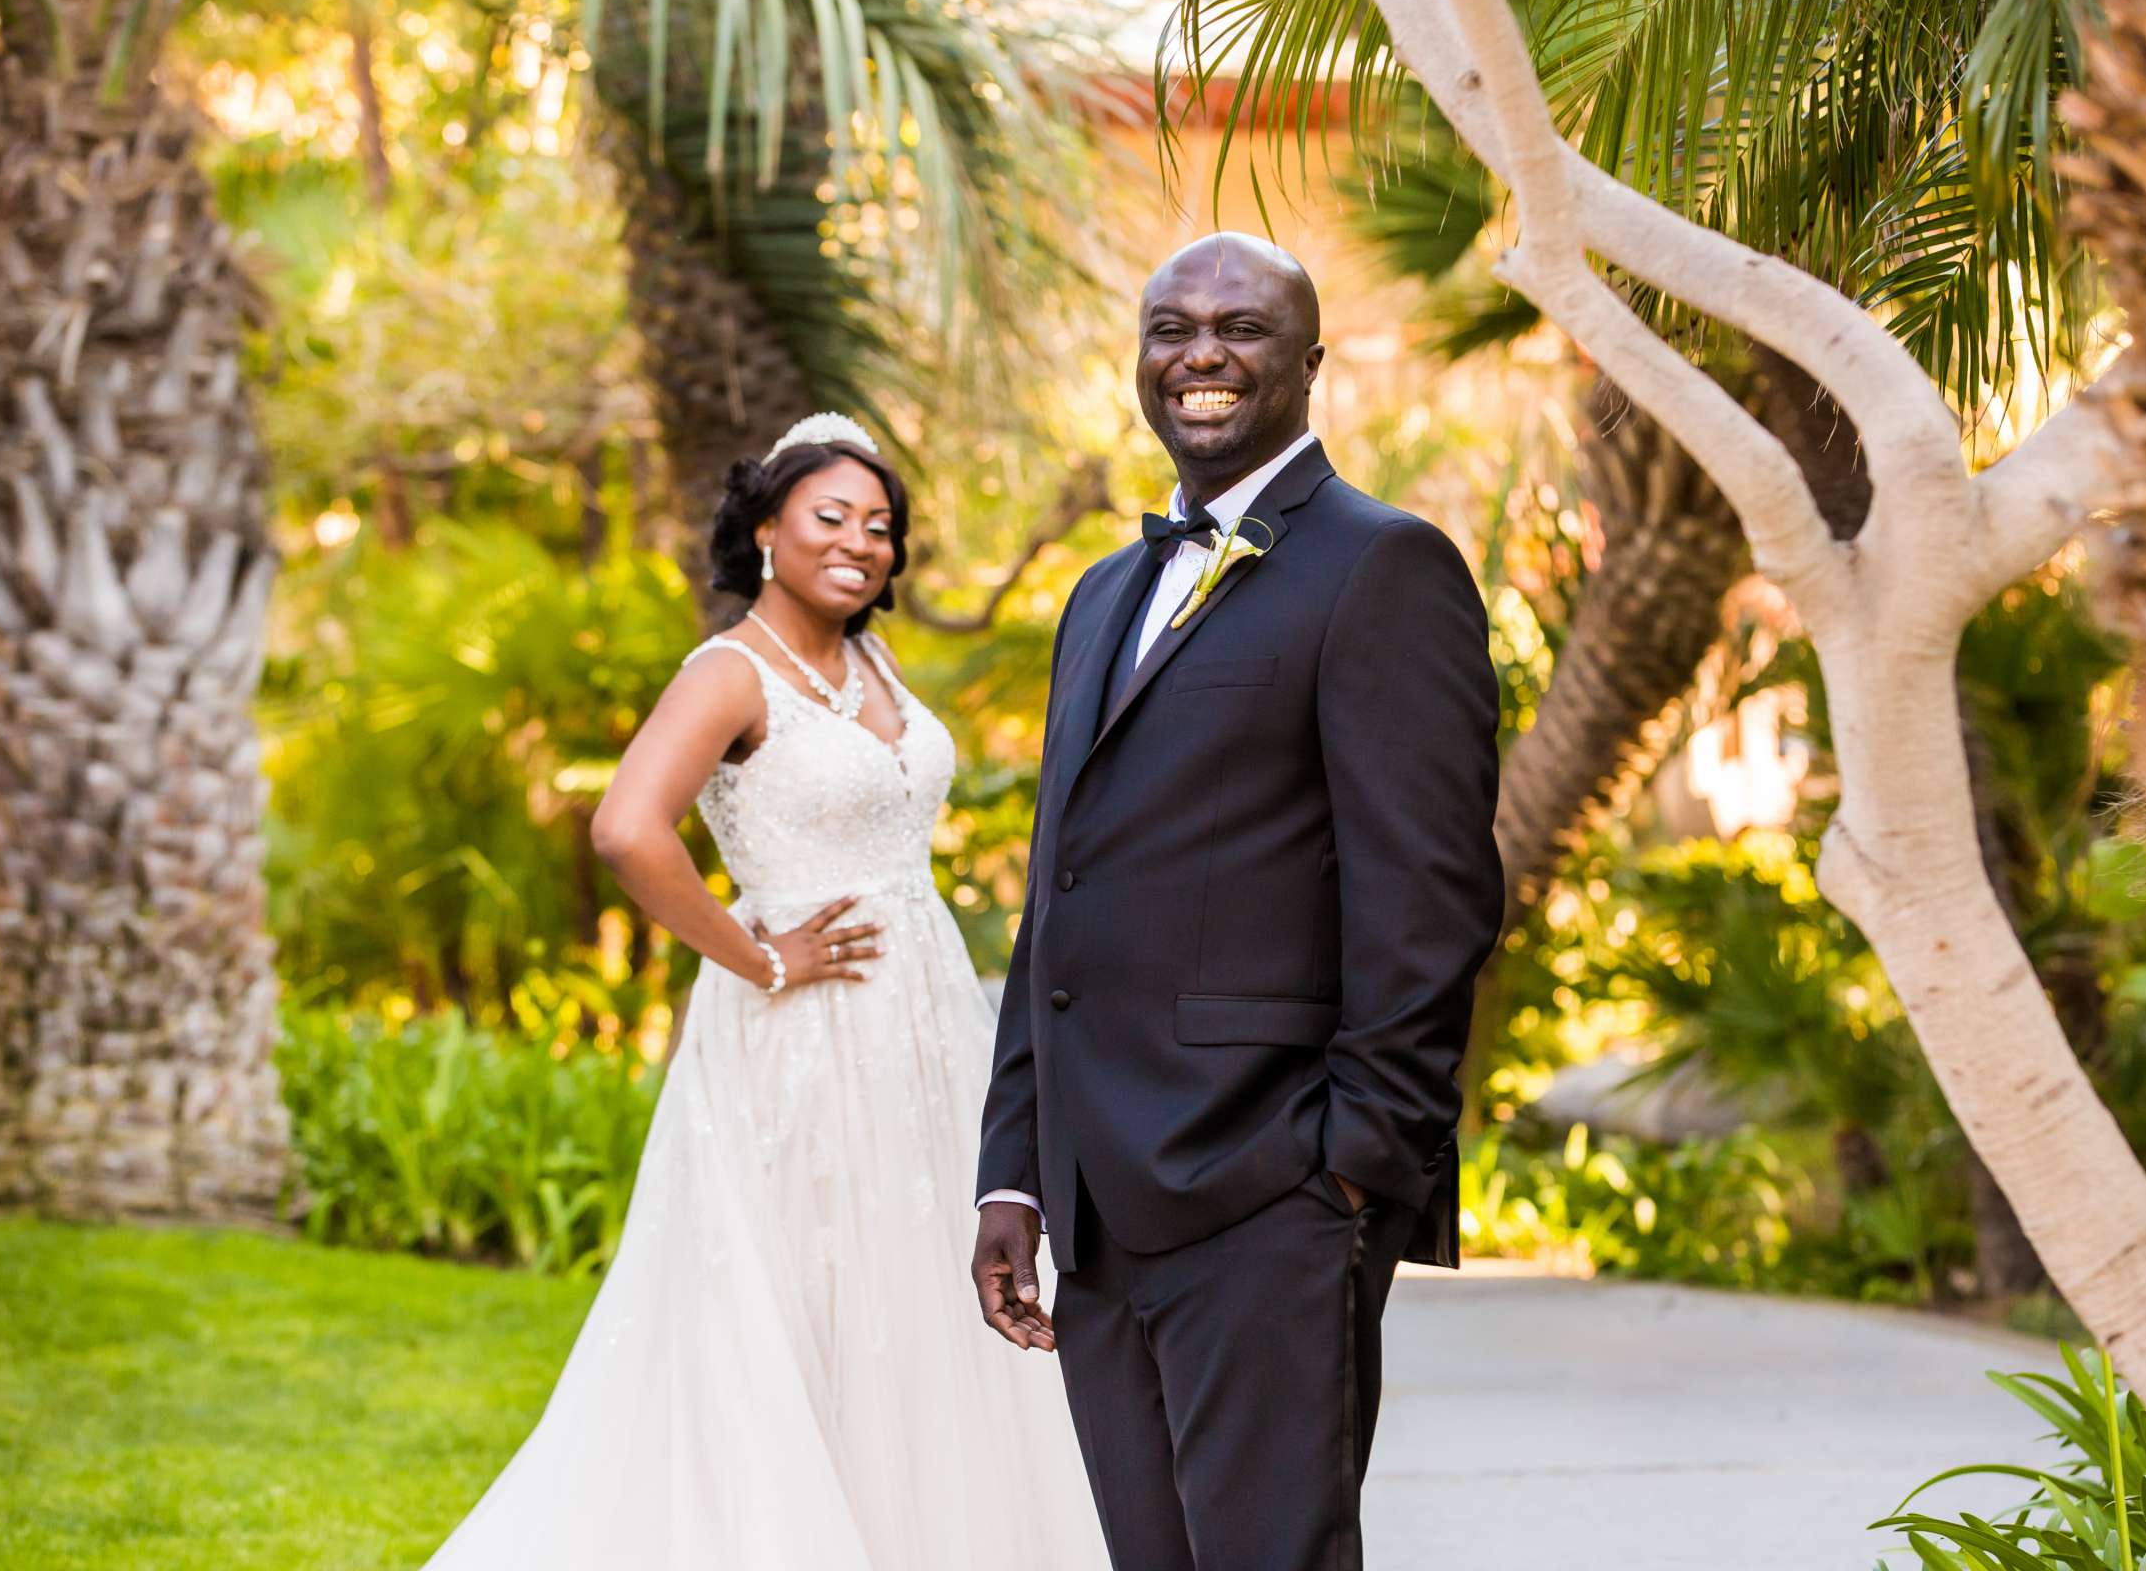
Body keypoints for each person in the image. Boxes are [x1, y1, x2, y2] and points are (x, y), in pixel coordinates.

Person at [424, 414, 1105, 1570]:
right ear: (763, 530)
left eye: (881, 526)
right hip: (802, 1033)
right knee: (812, 1298)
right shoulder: (729, 672)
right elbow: (628, 828)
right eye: (831, 517)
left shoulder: (871, 662)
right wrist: (763, 955)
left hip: (926, 1021)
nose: (861, 542)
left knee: (922, 1298)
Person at [971, 235, 1505, 1570]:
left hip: (1271, 1195)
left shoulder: (1384, 567)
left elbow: (1429, 895)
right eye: (1171, 327)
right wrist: (1016, 1171)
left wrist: (1353, 1170)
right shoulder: (1102, 595)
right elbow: (1060, 894)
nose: (1200, 354)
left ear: (1311, 363)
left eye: (1241, 327)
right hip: (1099, 1208)